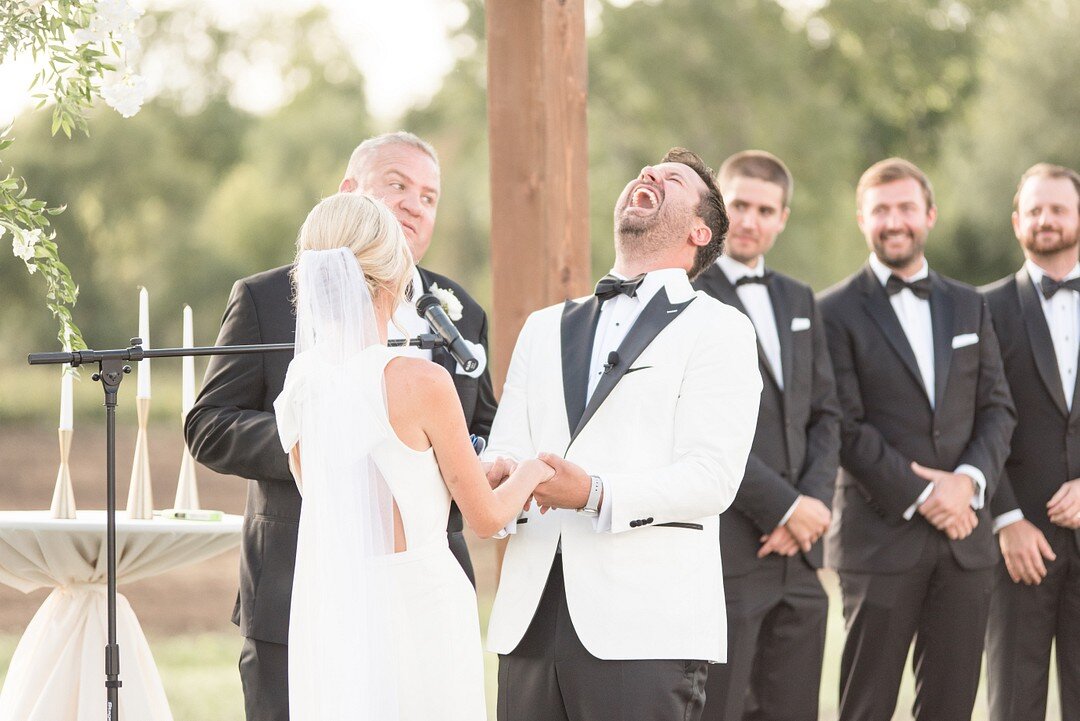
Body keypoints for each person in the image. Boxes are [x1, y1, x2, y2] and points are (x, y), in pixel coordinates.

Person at [183, 131, 497, 721]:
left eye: (429, 196)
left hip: (421, 597)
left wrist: (480, 458)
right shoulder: (265, 298)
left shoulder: (462, 309)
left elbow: (483, 423)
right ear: (349, 192)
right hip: (300, 584)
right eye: (398, 185)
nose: (414, 204)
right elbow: (209, 424)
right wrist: (327, 444)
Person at [484, 147, 763, 721]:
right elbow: (509, 443)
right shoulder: (542, 327)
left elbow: (712, 478)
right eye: (648, 170)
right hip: (530, 620)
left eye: (674, 178)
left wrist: (592, 493)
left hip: (646, 629)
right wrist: (496, 474)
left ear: (698, 230)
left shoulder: (721, 330)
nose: (650, 174)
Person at [275, 192, 552, 720]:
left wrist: (462, 474)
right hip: (419, 604)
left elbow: (348, 494)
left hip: (340, 608)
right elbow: (488, 518)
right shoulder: (420, 381)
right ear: (395, 276)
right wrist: (531, 470)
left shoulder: (301, 380)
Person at [818, 158, 1015, 721]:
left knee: (952, 706)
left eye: (906, 207)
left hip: (965, 545)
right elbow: (844, 425)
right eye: (881, 210)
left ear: (929, 214)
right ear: (862, 219)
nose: (894, 221)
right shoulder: (832, 312)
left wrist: (967, 484)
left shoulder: (968, 303)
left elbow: (997, 408)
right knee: (867, 706)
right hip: (878, 543)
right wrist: (927, 495)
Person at [694, 150, 840, 721]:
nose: (751, 220)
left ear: (782, 217)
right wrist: (783, 508)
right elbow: (703, 427)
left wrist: (814, 505)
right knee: (720, 709)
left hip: (803, 557)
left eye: (765, 209)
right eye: (740, 206)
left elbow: (826, 414)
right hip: (730, 549)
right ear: (717, 211)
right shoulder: (691, 298)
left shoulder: (800, 298)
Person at [980, 163, 1080, 721]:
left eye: (1058, 208)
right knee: (1014, 704)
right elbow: (971, 421)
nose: (1046, 219)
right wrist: (1006, 518)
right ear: (1017, 221)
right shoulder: (981, 308)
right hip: (1019, 547)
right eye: (1034, 209)